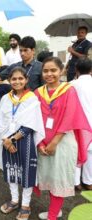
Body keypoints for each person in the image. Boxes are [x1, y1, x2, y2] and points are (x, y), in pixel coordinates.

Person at [35, 57, 92, 220]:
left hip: (63, 141)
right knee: (47, 176)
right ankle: (55, 210)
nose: (49, 74)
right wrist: (40, 143)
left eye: (53, 70)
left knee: (58, 179)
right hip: (43, 142)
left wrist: (54, 142)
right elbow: (34, 119)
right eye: (46, 70)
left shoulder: (69, 90)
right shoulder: (38, 92)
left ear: (62, 71)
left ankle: (53, 215)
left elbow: (69, 118)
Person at [0, 67, 45, 220]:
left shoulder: (32, 98)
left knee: (26, 172)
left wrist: (12, 140)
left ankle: (25, 204)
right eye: (14, 79)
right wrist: (5, 140)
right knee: (11, 170)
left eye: (20, 79)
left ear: (26, 80)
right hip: (6, 140)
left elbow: (31, 124)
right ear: (9, 80)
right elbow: (0, 121)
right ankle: (14, 200)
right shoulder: (5, 98)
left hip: (24, 140)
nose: (17, 81)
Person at [72, 58, 92, 191]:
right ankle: (88, 181)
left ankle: (75, 181)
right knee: (90, 152)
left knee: (76, 151)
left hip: (76, 123)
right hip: (91, 123)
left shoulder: (71, 84)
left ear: (77, 70)